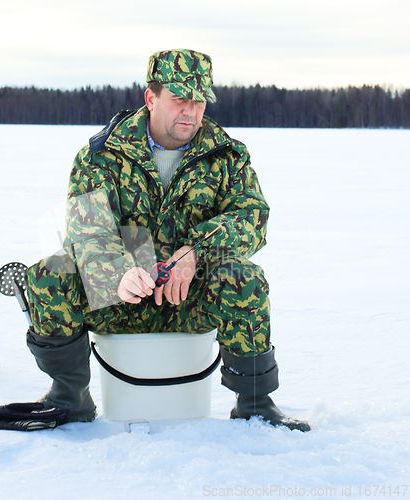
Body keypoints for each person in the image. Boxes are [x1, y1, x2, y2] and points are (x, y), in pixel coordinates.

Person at [25, 49, 310, 432]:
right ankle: (69, 398)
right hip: (121, 299)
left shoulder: (227, 155)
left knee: (244, 276)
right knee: (49, 273)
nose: (190, 112)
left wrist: (194, 252)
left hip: (188, 298)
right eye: (179, 99)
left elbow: (252, 217)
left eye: (198, 101)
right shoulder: (102, 155)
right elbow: (87, 231)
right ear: (151, 98)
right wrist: (118, 271)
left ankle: (255, 403)